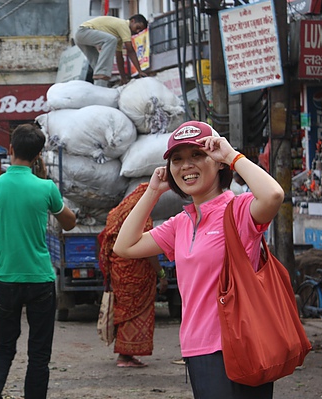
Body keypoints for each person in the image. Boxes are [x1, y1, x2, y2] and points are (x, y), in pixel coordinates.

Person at [113, 121, 284, 398]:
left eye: (197, 155)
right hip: (197, 349)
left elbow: (274, 195)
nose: (186, 166)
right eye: (177, 160)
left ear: (216, 162)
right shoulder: (181, 223)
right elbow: (125, 246)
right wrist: (153, 191)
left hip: (239, 344)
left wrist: (232, 156)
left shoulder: (238, 210)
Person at [0, 124, 77, 399]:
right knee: (39, 353)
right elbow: (69, 223)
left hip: (6, 279)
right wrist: (44, 182)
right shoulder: (45, 188)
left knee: (3, 347)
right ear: (39, 155)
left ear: (10, 150)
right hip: (41, 280)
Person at [97, 183, 168, 368]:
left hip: (119, 272)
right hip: (137, 274)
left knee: (124, 310)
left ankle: (126, 354)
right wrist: (160, 273)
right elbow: (149, 250)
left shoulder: (116, 213)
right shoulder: (142, 218)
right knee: (134, 312)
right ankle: (125, 355)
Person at [75, 14, 148, 87]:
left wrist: (123, 78)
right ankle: (102, 74)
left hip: (80, 37)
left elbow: (120, 58)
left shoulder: (118, 36)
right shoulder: (124, 25)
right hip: (84, 31)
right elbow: (130, 50)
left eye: (140, 31)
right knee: (111, 40)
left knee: (97, 63)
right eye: (137, 27)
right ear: (132, 21)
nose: (137, 31)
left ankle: (99, 86)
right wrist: (140, 71)